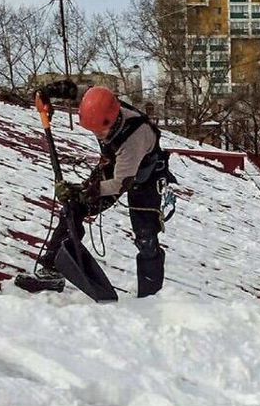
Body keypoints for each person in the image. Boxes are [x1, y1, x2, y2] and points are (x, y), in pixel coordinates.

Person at [37, 85, 169, 298]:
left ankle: (150, 297)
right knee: (73, 208)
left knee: (146, 237)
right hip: (114, 164)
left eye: (100, 130)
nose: (98, 135)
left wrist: (85, 190)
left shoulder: (135, 136)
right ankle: (51, 269)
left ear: (114, 119)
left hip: (144, 176)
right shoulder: (101, 104)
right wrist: (48, 92)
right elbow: (76, 91)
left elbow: (119, 184)